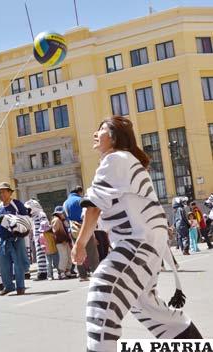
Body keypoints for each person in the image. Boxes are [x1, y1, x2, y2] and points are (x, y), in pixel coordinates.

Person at [72, 116, 202, 352]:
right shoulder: (125, 161)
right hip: (148, 242)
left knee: (104, 292)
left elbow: (94, 207)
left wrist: (79, 243)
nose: (95, 133)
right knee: (148, 307)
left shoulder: (115, 159)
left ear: (113, 137)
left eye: (101, 129)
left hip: (138, 242)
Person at [0, 182, 29, 296]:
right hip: (3, 240)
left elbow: (26, 219)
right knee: (3, 264)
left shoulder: (17, 204)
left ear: (10, 192)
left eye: (3, 191)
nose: (1, 194)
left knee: (18, 264)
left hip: (17, 239)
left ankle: (20, 287)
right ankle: (8, 286)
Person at [51, 206, 73, 280]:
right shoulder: (56, 220)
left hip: (65, 241)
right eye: (62, 213)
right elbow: (56, 232)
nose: (63, 214)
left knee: (68, 256)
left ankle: (67, 271)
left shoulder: (62, 220)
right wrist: (61, 239)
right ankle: (62, 272)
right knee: (64, 257)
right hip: (61, 241)